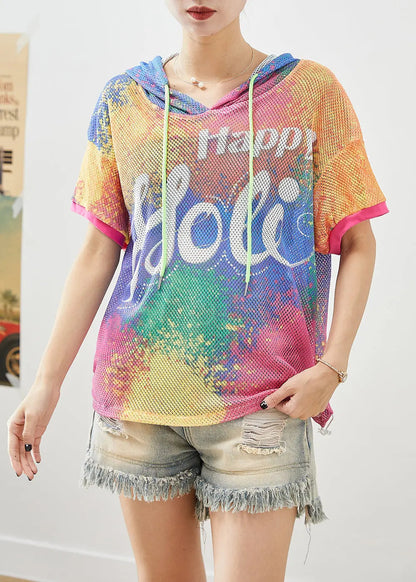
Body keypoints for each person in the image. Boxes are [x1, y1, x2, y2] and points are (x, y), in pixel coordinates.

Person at [7, 1, 390, 580]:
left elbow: (358, 241)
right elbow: (98, 252)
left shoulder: (310, 93)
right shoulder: (124, 101)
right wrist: (46, 384)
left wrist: (332, 367)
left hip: (263, 401)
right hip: (139, 398)